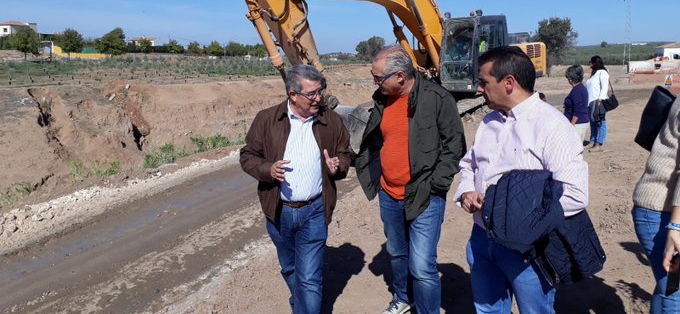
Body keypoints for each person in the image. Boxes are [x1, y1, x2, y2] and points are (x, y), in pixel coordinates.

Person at [453, 46, 589, 314]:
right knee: (488, 310)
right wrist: (468, 189)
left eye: (484, 82)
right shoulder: (489, 122)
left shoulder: (552, 126)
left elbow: (574, 194)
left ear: (509, 83)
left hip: (527, 250)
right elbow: (469, 164)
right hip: (482, 240)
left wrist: (515, 219)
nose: (479, 89)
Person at [355, 44, 466, 314]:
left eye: (378, 77)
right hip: (389, 194)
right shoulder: (383, 99)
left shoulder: (437, 99)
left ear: (400, 77)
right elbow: (378, 141)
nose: (374, 82)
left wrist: (437, 184)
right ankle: (403, 299)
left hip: (424, 195)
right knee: (396, 253)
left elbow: (455, 147)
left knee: (422, 266)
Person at [239, 64, 351, 314]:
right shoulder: (267, 119)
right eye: (311, 94)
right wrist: (267, 169)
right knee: (290, 268)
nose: (318, 98)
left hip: (314, 210)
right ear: (293, 95)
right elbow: (247, 156)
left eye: (320, 91)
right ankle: (299, 303)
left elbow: (345, 153)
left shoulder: (330, 119)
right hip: (279, 211)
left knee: (310, 278)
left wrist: (337, 165)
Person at [632, 97, 680, 313]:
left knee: (667, 286)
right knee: (675, 291)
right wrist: (676, 227)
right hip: (662, 211)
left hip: (666, 209)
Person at [586, 55, 610, 152]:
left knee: (601, 123)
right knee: (593, 123)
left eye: (590, 62)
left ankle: (599, 143)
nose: (589, 64)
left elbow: (604, 87)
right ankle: (592, 141)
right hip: (590, 102)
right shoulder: (594, 74)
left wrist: (600, 100)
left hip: (598, 102)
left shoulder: (603, 73)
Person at [564, 64, 590, 143]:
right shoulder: (581, 88)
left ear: (571, 79)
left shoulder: (577, 91)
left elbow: (578, 110)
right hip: (581, 122)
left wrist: (572, 125)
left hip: (577, 124)